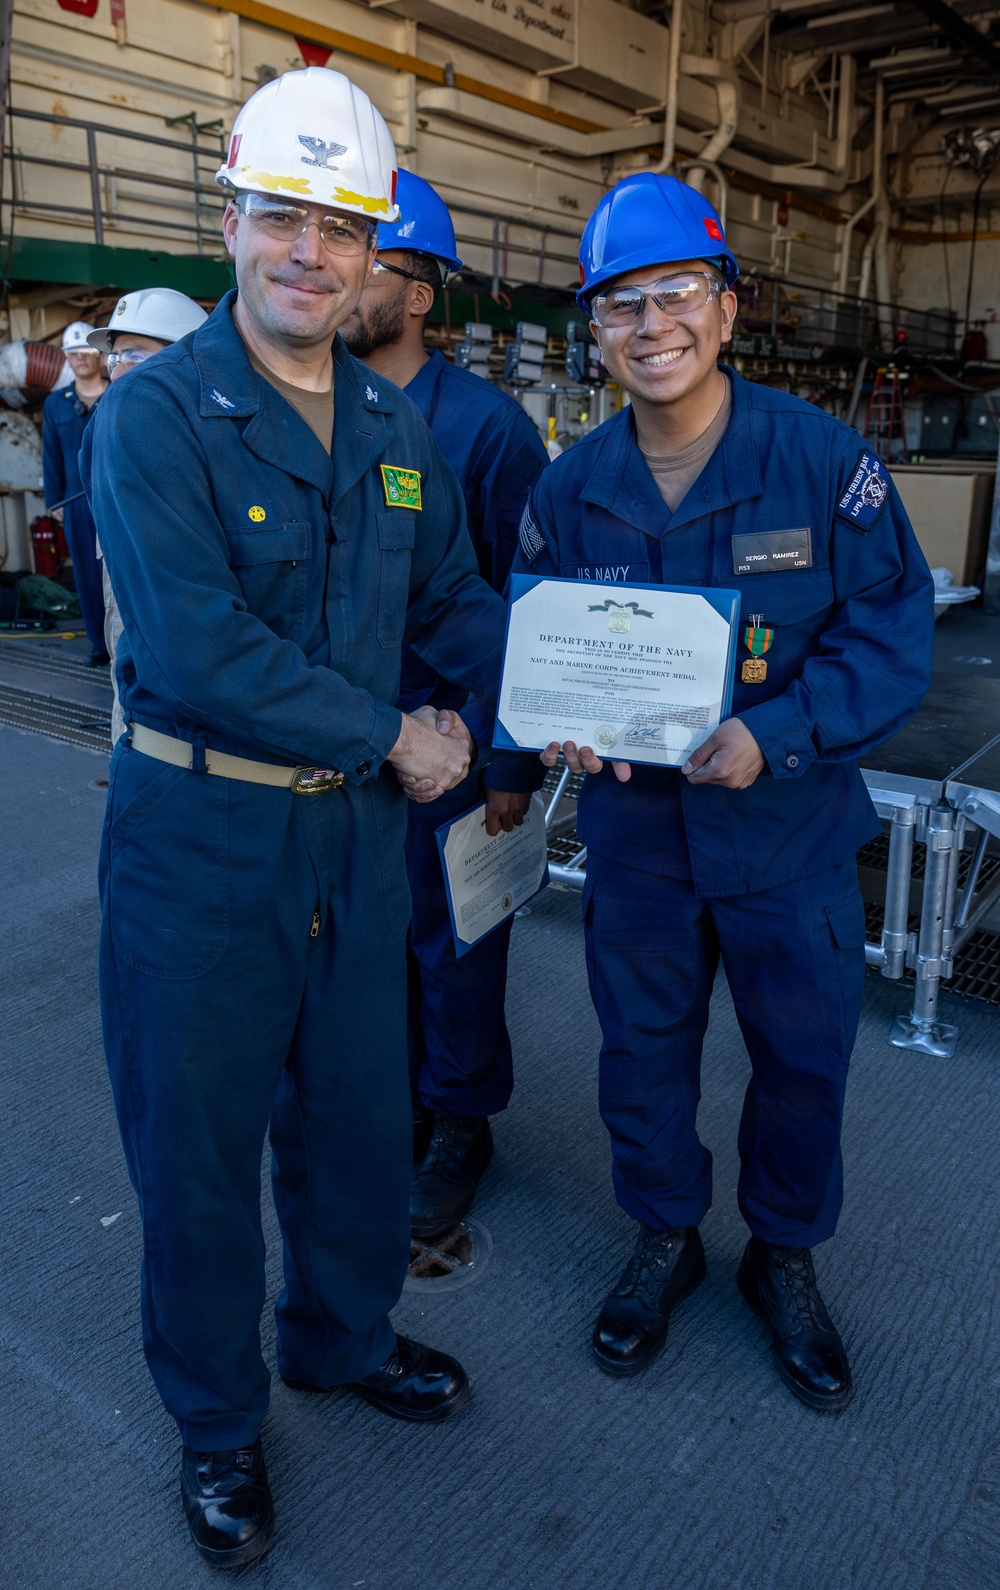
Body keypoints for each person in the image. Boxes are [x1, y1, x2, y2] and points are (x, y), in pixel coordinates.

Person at [81, 67, 513, 1569]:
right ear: (232, 222)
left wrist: (571, 681)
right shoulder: (156, 417)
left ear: (373, 252)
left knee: (351, 1120)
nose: (312, 255)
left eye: (342, 228)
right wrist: (402, 730)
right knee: (197, 1148)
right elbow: (200, 651)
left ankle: (342, 1338)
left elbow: (454, 599)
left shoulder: (396, 421)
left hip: (350, 845)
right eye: (285, 219)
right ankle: (217, 1423)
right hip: (199, 843)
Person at [511, 173, 934, 1410]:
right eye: (620, 306)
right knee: (640, 1056)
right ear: (595, 334)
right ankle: (665, 1236)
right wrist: (559, 735)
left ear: (728, 308)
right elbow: (542, 652)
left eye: (677, 295)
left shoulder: (820, 462)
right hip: (639, 841)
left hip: (787, 836)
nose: (653, 327)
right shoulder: (567, 486)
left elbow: (888, 631)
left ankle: (784, 1260)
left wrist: (781, 732)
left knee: (800, 1061)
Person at [343, 170, 548, 1239]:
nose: (336, 273)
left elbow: (522, 609)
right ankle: (402, 1100)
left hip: (458, 742)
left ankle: (461, 1125)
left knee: (455, 944)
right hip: (341, 741)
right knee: (364, 943)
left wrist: (509, 761)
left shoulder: (489, 431)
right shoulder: (310, 410)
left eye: (363, 255)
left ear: (419, 291)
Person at [88, 288, 209, 743]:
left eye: (133, 355)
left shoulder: (206, 430)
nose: (117, 370)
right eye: (114, 358)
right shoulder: (113, 420)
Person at [41, 321, 108, 663]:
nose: (80, 358)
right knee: (85, 572)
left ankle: (127, 642)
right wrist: (54, 501)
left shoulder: (119, 391)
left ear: (99, 357)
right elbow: (50, 454)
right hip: (75, 502)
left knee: (122, 569)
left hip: (115, 497)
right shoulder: (55, 405)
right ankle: (100, 643)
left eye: (86, 352)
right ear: (66, 359)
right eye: (73, 353)